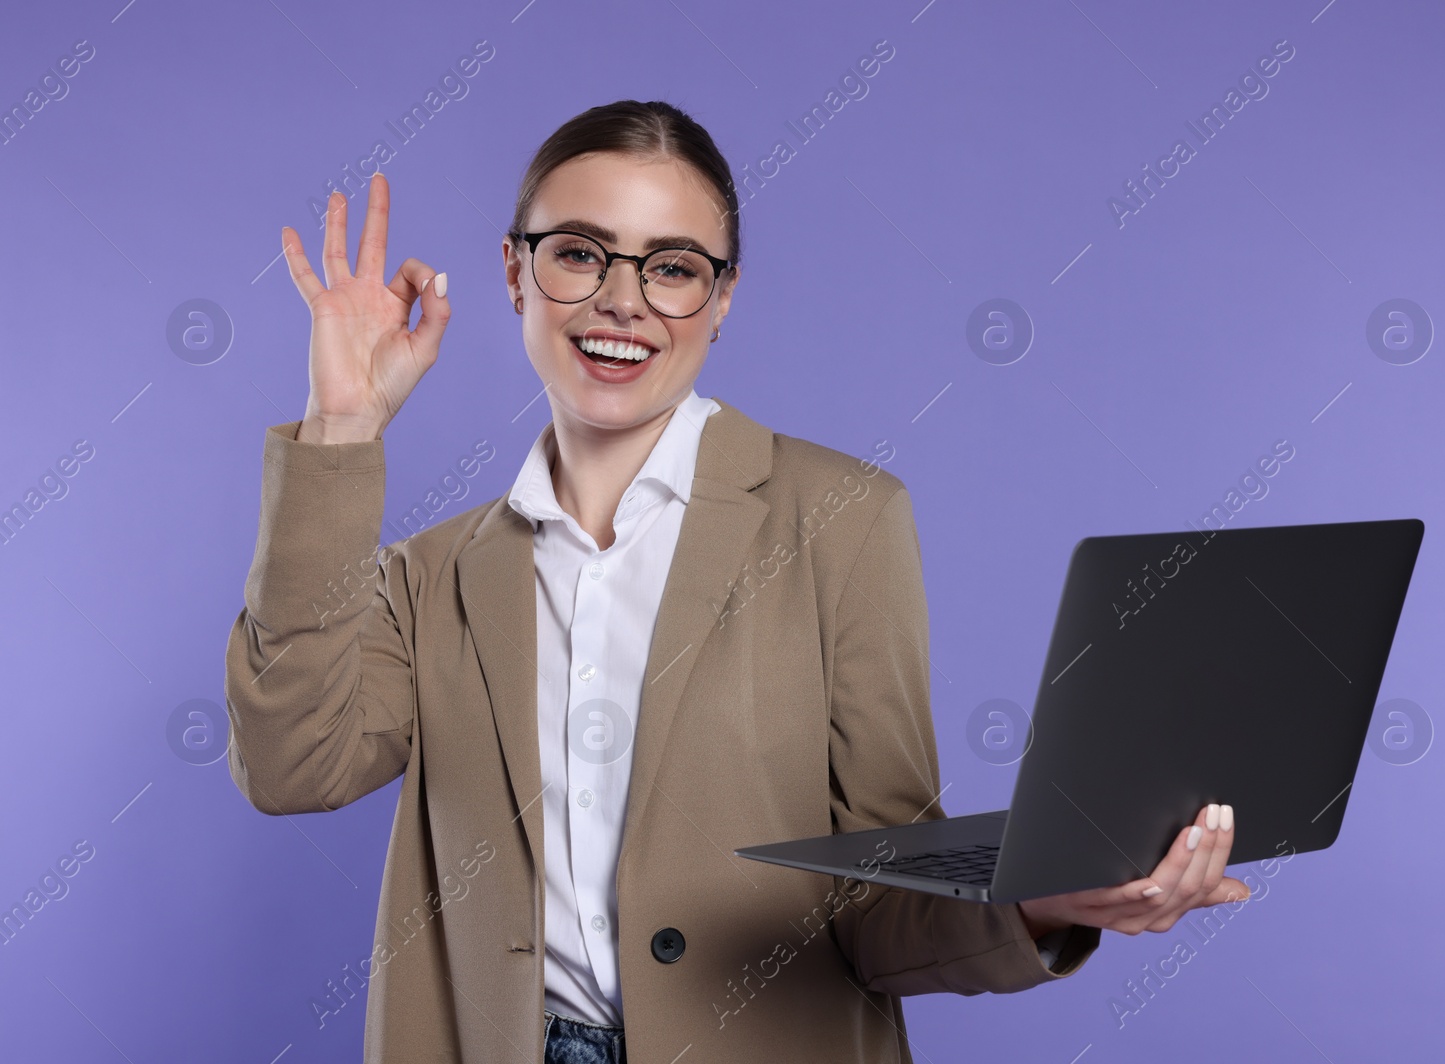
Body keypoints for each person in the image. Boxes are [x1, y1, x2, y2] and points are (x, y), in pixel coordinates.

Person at [224, 99, 1250, 1064]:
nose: (620, 299)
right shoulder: (431, 573)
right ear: (513, 271)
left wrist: (1040, 901)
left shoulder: (844, 520)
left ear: (721, 298)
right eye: (578, 253)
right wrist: (343, 429)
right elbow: (291, 765)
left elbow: (880, 901)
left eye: (671, 266)